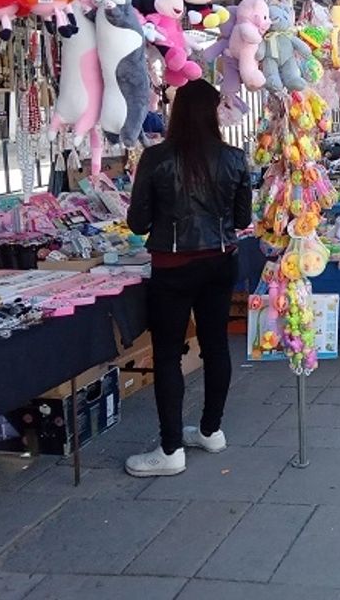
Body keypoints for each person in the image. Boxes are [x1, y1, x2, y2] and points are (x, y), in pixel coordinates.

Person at [124, 79, 252, 476]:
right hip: (219, 260)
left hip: (173, 266)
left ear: (177, 112)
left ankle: (170, 449)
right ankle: (211, 430)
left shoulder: (156, 157)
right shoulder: (234, 158)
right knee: (215, 346)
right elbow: (243, 219)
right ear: (214, 112)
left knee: (167, 353)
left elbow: (138, 222)